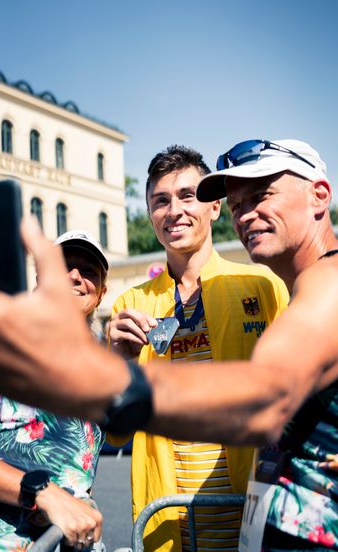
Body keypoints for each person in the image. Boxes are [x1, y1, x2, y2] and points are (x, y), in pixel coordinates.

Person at [0, 139, 337, 550]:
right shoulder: (302, 287)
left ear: (319, 195)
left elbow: (266, 399)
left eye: (262, 194)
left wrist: (100, 381)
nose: (246, 214)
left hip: (262, 519)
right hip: (170, 518)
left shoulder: (322, 283)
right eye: (238, 203)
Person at [108, 145, 289, 552]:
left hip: (250, 517)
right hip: (166, 522)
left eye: (188, 196)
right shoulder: (128, 307)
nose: (174, 211)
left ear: (214, 207)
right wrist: (117, 363)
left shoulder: (264, 287)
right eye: (160, 201)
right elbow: (115, 436)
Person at [0, 229, 108, 551]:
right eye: (62, 266)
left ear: (99, 294)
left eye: (88, 272)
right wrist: (42, 493)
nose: (74, 276)